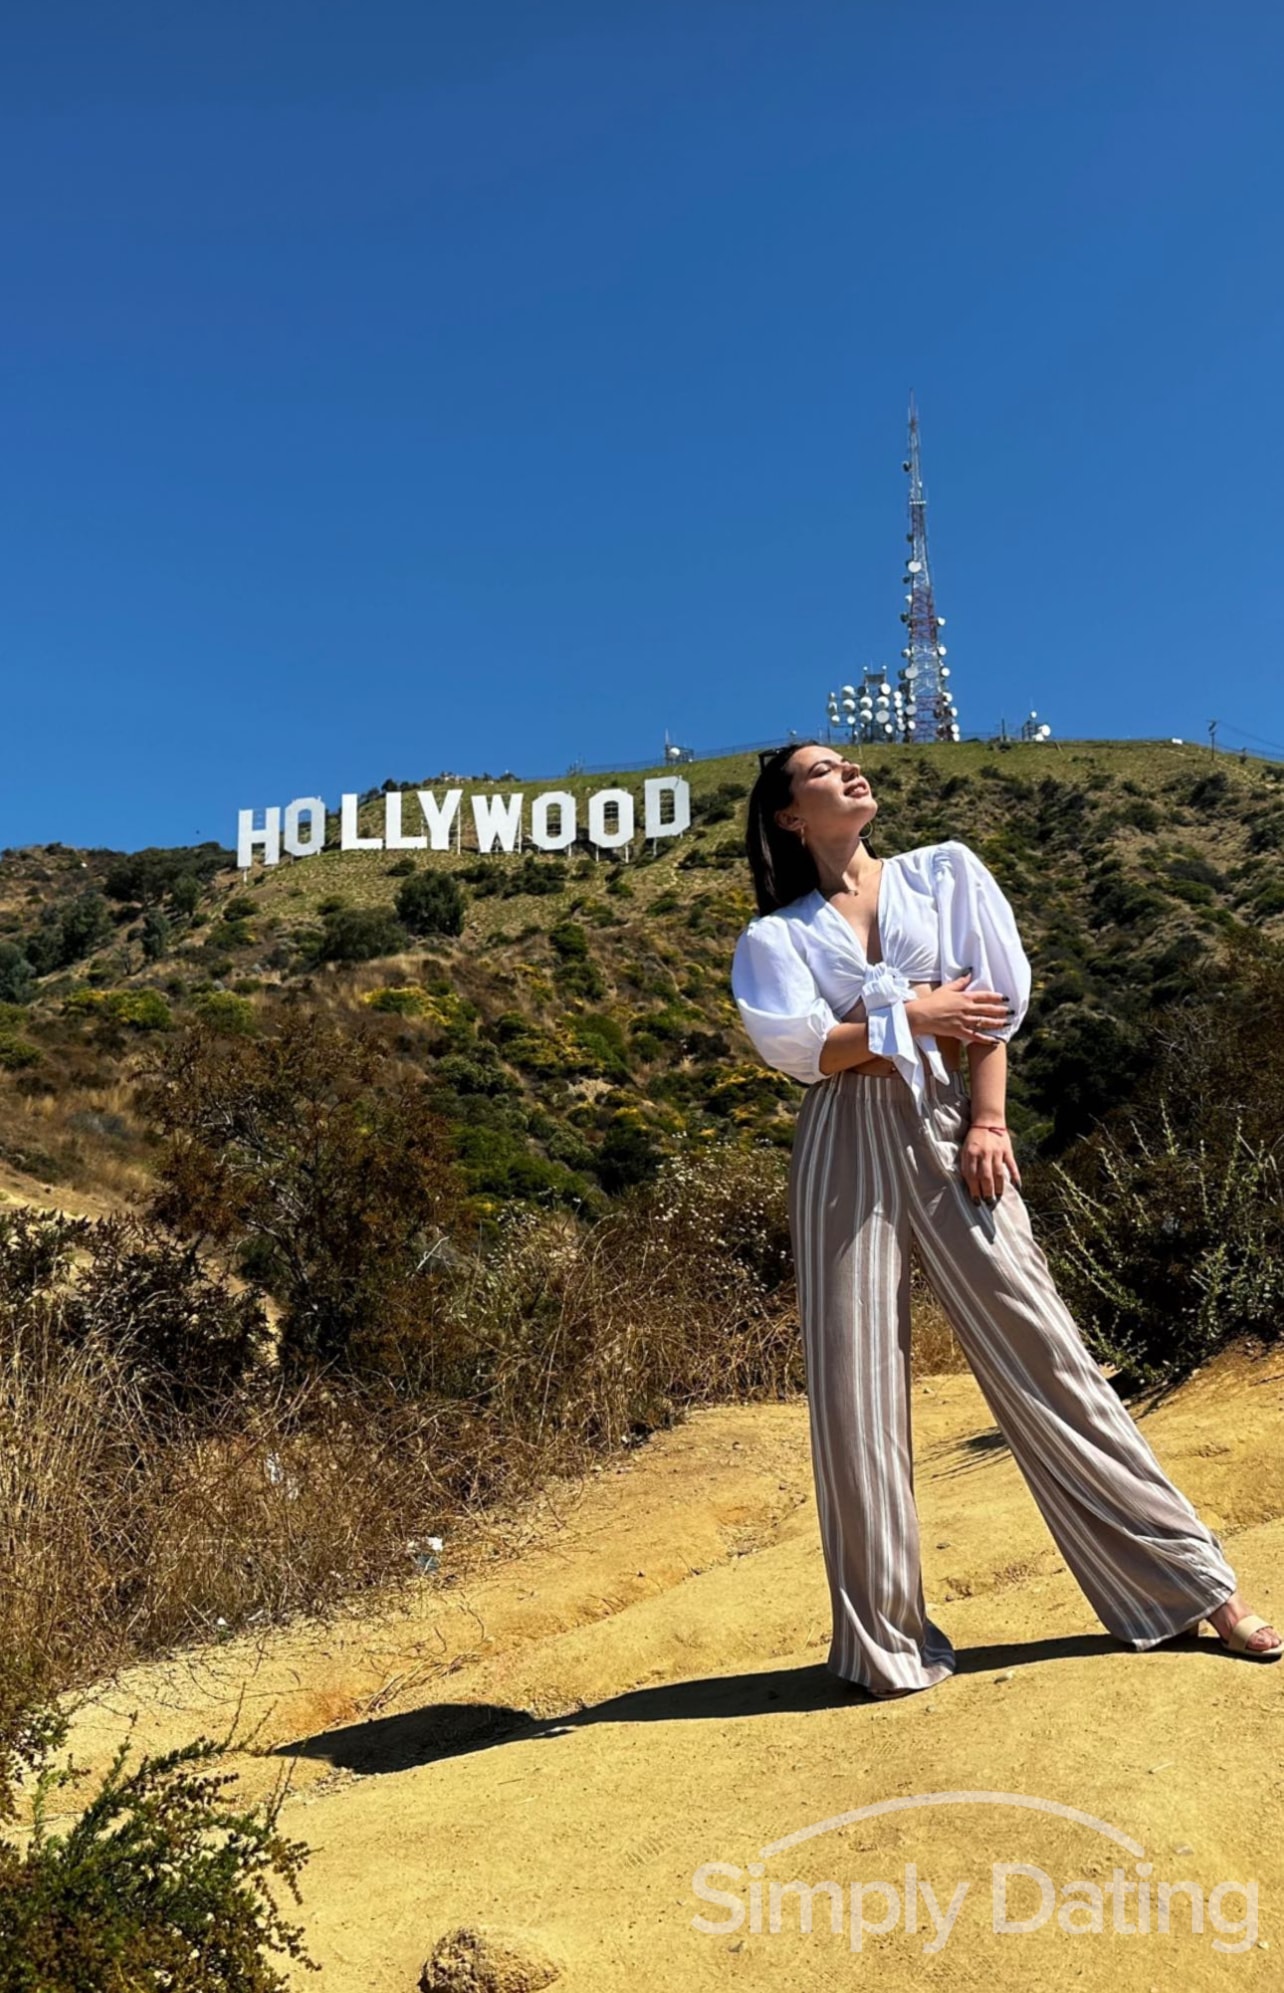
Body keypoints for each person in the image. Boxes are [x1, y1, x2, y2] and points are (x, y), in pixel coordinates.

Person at [730, 740, 1281, 1697]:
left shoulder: (943, 875)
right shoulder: (776, 937)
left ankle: (1196, 1586)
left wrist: (988, 1119)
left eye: (849, 761)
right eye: (822, 771)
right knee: (855, 1392)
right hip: (840, 1149)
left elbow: (987, 1012)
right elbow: (807, 1050)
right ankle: (884, 1642)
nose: (850, 772)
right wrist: (917, 1015)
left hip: (951, 1126)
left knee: (1046, 1350)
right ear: (788, 815)